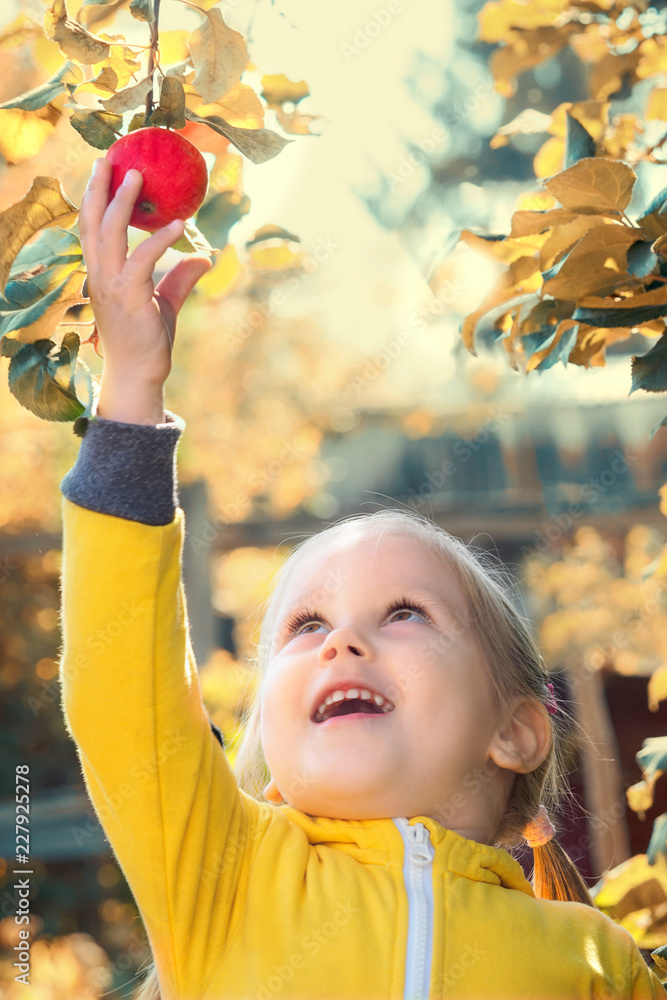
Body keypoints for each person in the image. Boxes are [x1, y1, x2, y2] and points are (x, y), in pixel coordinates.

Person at [57, 159, 666, 1000]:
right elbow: (121, 691)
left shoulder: (595, 962)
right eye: (305, 627)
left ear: (515, 733)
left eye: (406, 614)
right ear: (269, 736)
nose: (342, 639)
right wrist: (129, 388)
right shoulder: (225, 872)